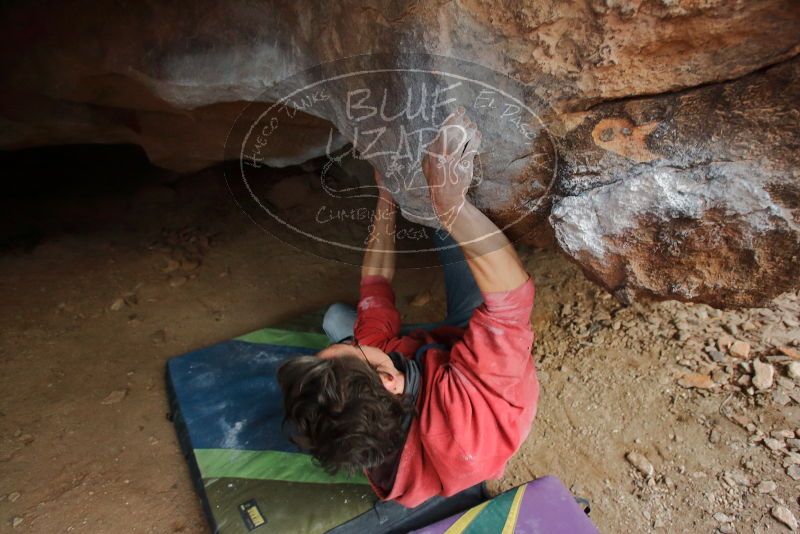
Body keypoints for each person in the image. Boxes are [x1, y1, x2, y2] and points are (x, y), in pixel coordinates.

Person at [277, 108, 539, 508]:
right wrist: (449, 204)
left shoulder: (364, 413)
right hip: (476, 384)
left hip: (429, 360)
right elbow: (513, 300)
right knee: (456, 238)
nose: (358, 342)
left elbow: (375, 284)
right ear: (389, 381)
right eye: (355, 350)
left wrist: (387, 197)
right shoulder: (465, 410)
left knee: (336, 318)